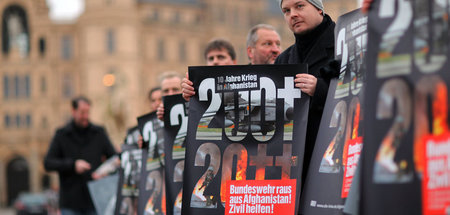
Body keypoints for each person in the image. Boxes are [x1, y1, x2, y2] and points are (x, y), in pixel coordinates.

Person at [276, 0, 337, 188]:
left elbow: (360, 95)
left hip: (332, 162)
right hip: (294, 169)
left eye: (299, 6)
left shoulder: (343, 44)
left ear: (319, 9)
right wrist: (197, 91)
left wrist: (319, 90)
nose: (292, 14)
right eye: (286, 11)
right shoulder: (283, 60)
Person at [44, 96, 116, 215]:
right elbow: (48, 163)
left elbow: (113, 158)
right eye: (82, 113)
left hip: (95, 199)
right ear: (73, 111)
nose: (86, 116)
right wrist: (73, 165)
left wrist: (103, 172)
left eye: (88, 112)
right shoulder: (61, 135)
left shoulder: (99, 133)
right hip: (70, 202)